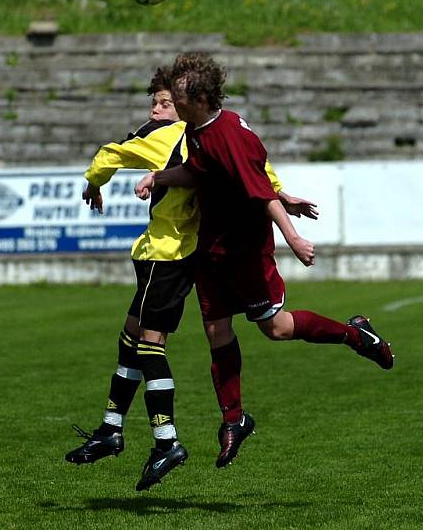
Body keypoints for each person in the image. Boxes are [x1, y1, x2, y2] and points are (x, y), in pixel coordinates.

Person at [135, 51, 394, 469]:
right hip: (211, 247)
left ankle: (356, 335)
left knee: (275, 328)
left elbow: (261, 192)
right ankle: (234, 420)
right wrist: (158, 177)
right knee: (216, 330)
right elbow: (199, 172)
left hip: (245, 250)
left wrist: (292, 237)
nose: (171, 103)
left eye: (177, 97)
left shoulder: (228, 136)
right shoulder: (199, 129)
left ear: (199, 97)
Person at [66, 67, 315, 490]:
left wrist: (93, 184)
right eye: (157, 102)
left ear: (184, 103)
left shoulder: (165, 135)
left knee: (148, 344)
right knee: (131, 337)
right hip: (194, 253)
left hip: (166, 253)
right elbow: (254, 168)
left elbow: (110, 153)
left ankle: (166, 442)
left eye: (165, 102)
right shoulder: (206, 132)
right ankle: (111, 428)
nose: (158, 109)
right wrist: (282, 193)